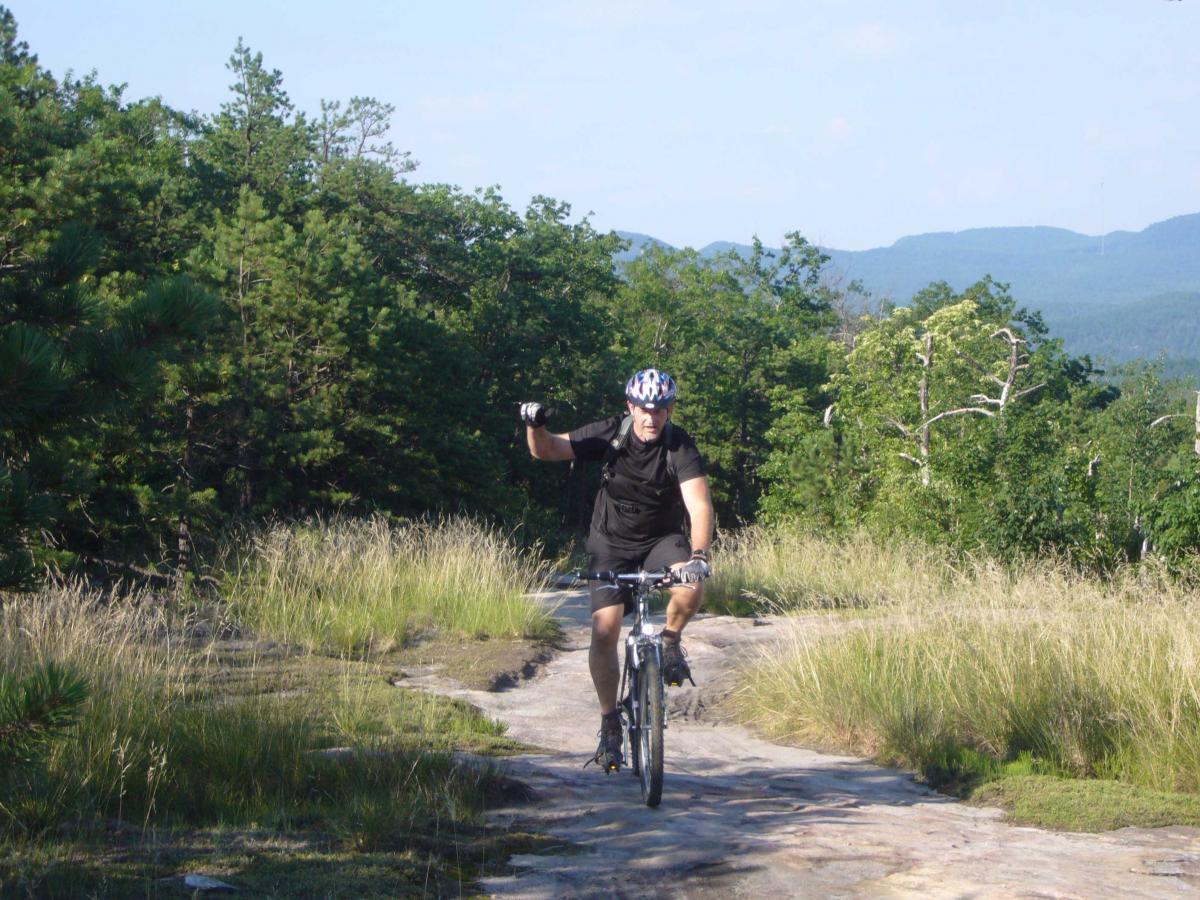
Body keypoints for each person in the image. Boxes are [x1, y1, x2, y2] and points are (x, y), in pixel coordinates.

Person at [520, 368, 714, 771]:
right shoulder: (612, 433)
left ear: (669, 410)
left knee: (691, 587)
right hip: (610, 542)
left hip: (661, 540)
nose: (651, 418)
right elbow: (548, 450)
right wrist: (534, 425)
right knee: (605, 627)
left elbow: (698, 505)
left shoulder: (679, 445)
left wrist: (699, 555)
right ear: (630, 407)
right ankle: (610, 722)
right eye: (644, 409)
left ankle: (670, 640)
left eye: (659, 410)